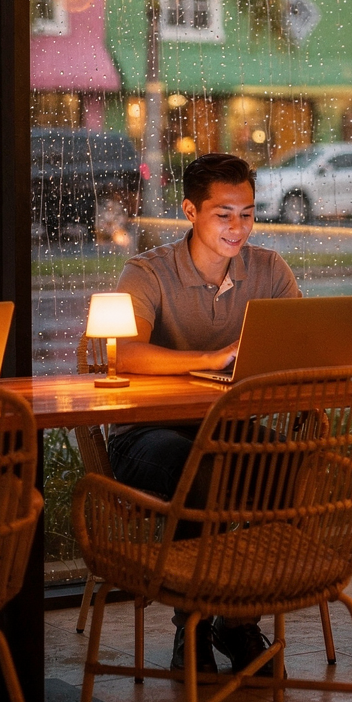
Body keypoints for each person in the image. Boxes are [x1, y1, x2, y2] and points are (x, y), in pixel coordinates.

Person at [107, 152, 298, 675]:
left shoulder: (269, 270)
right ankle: (190, 626)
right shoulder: (147, 271)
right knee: (202, 471)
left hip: (227, 426)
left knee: (287, 464)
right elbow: (121, 352)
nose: (239, 227)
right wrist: (209, 360)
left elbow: (299, 343)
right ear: (190, 211)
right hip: (144, 435)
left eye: (248, 213)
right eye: (224, 214)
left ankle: (237, 618)